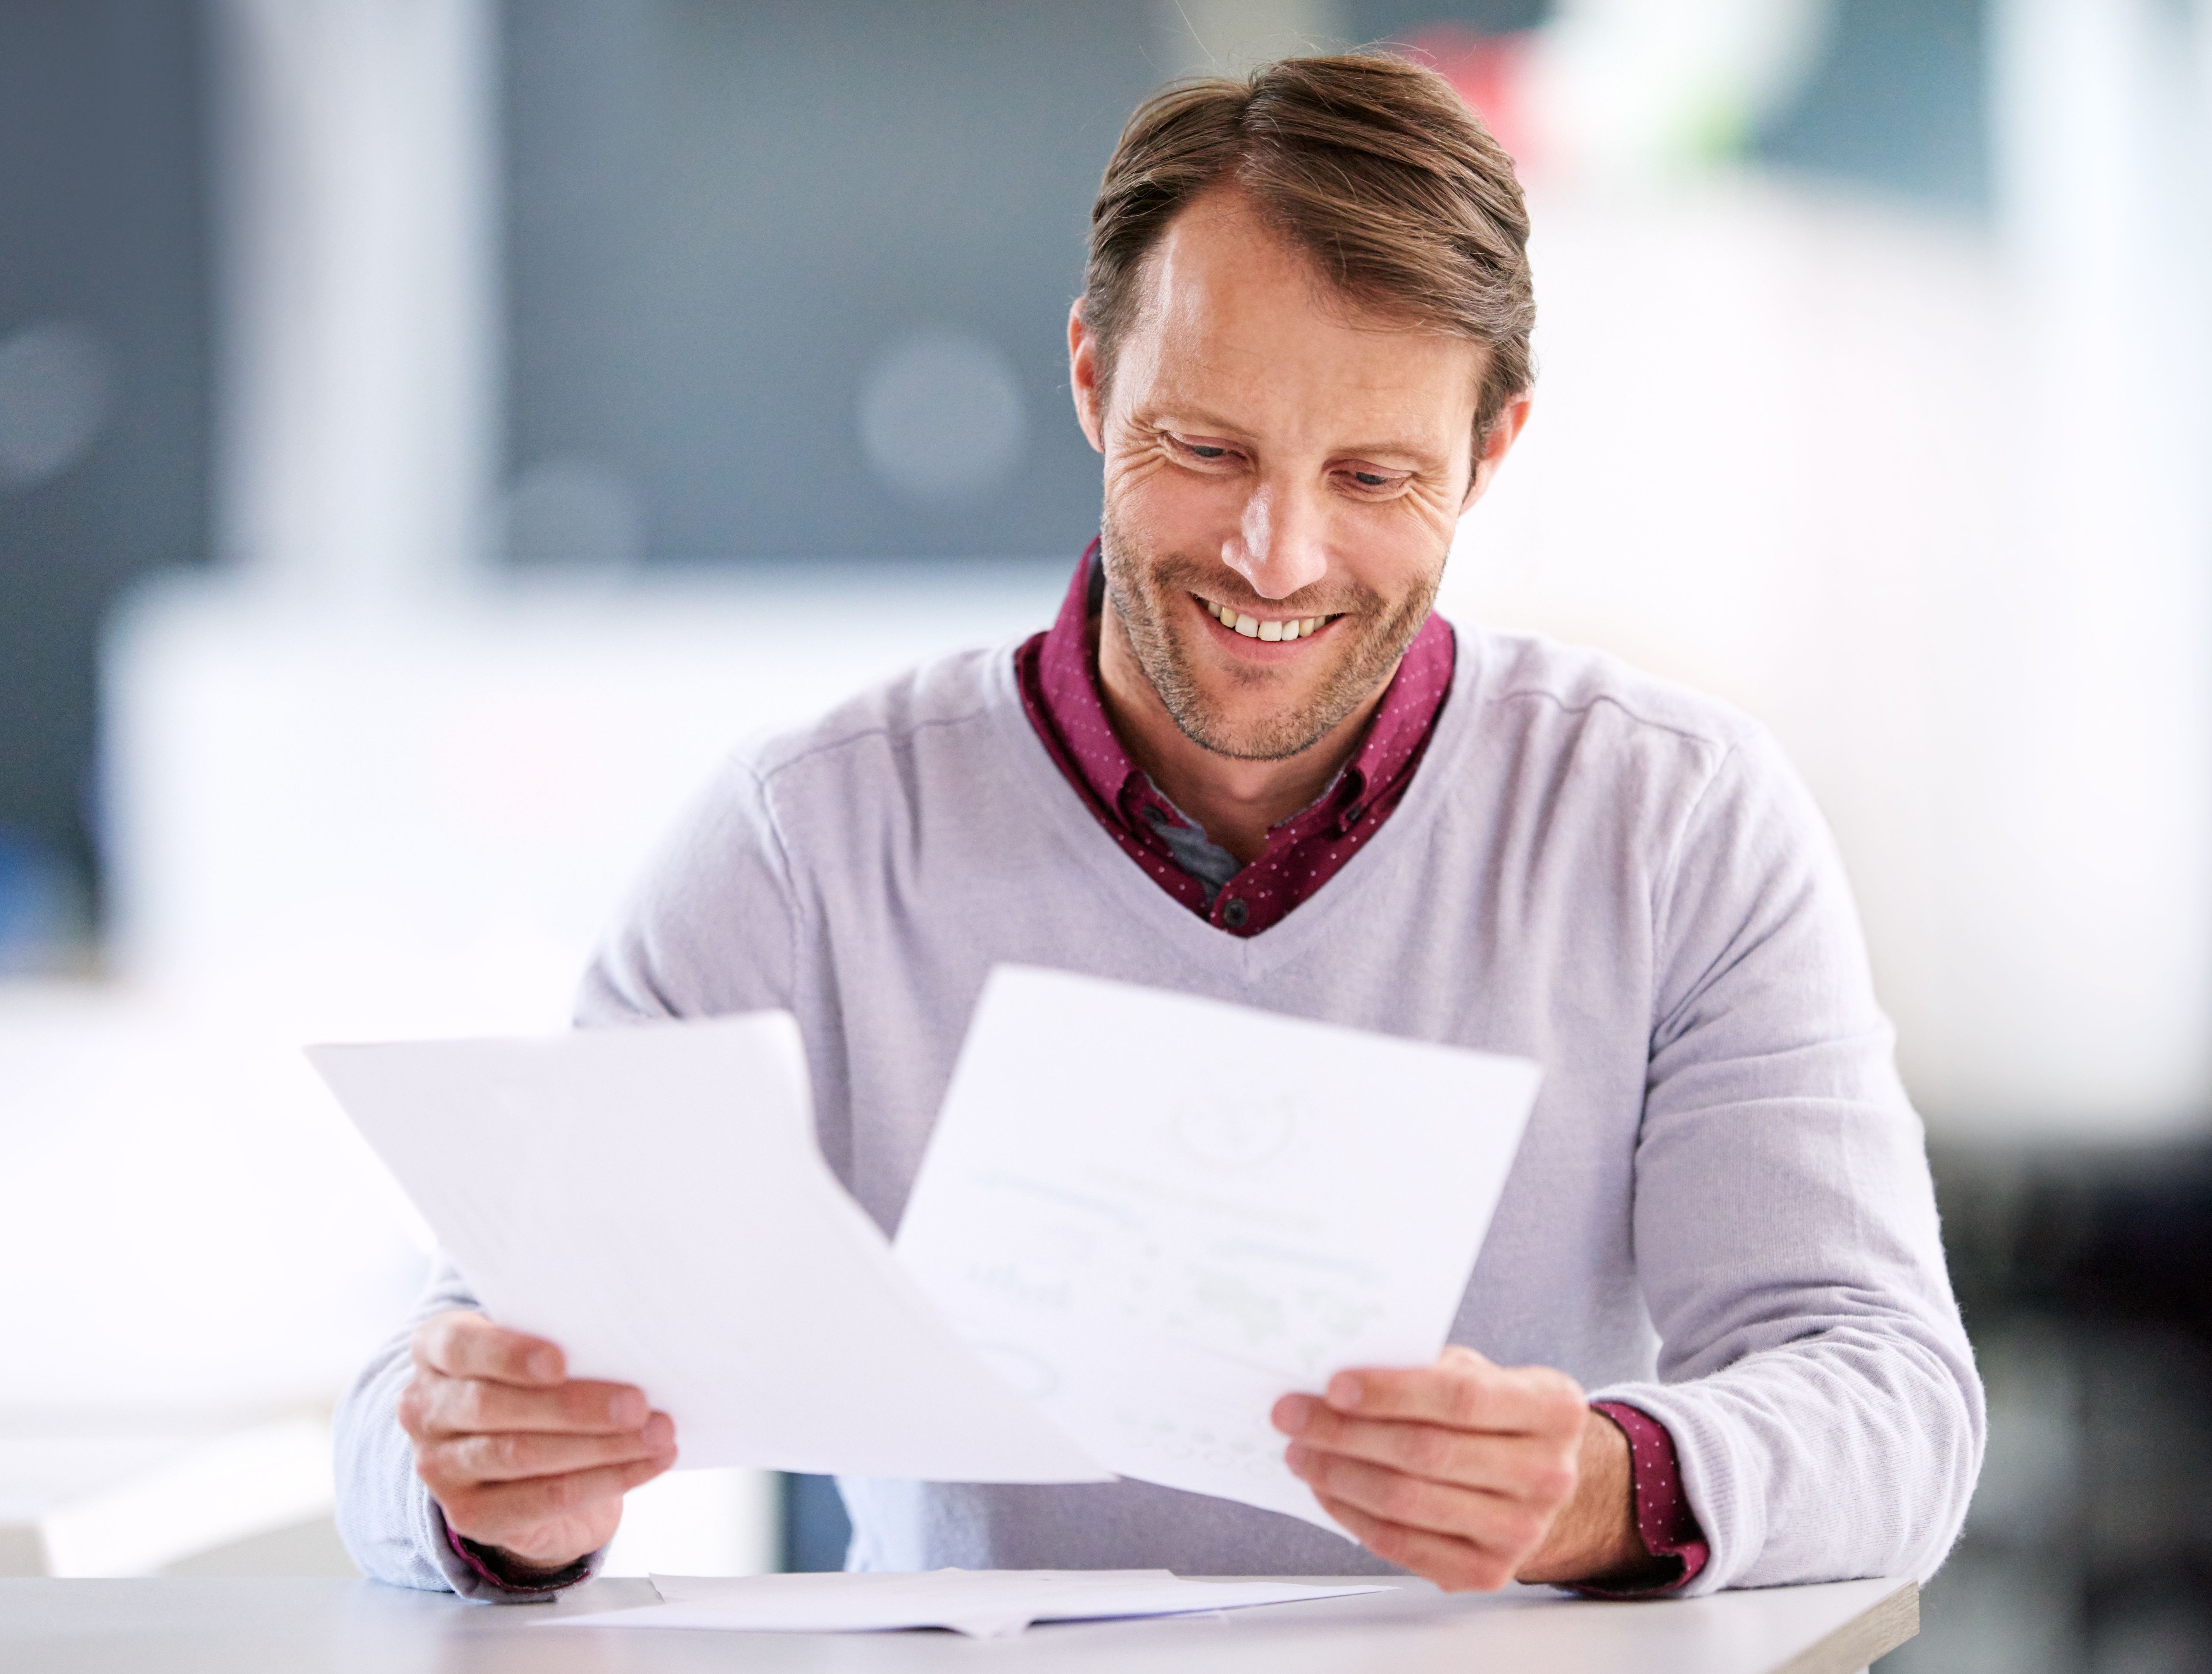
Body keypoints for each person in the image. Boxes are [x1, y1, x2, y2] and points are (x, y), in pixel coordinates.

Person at [336, 50, 1983, 1601]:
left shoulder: (1673, 824)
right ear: (1088, 377)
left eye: (1375, 479)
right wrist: (485, 1494)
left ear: (1492, 456)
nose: (1277, 556)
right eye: (1205, 450)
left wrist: (1604, 1487)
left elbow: (1896, 1398)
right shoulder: (807, 845)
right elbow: (418, 1394)